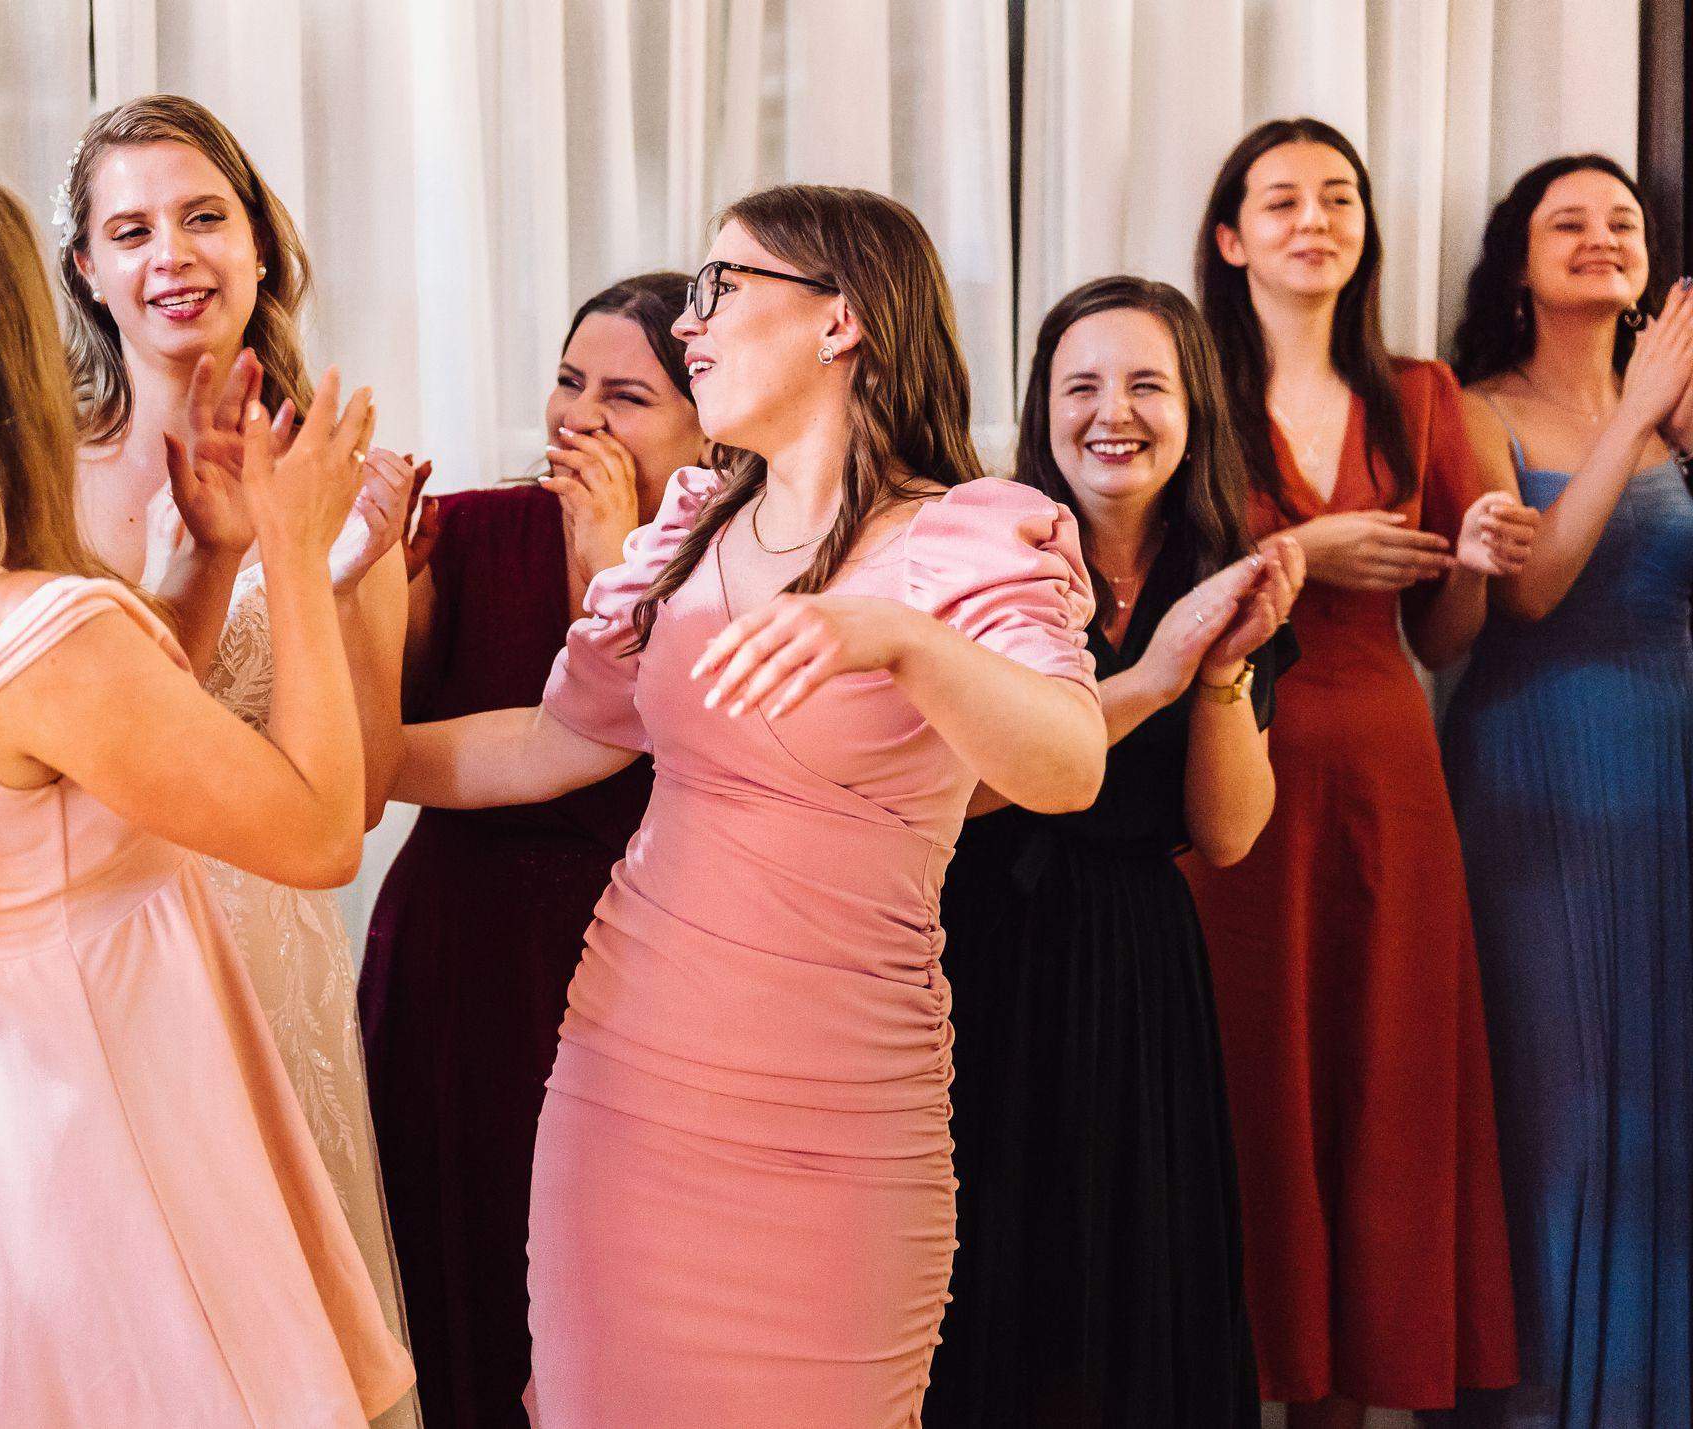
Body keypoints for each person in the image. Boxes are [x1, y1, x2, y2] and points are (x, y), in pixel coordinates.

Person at [391, 183, 1105, 1426]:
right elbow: (560, 739)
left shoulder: (968, 537)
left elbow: (1068, 763)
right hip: (626, 1087)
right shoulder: (689, 527)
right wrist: (326, 762)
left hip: (840, 1120)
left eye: (719, 287)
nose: (689, 323)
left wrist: (897, 638)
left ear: (840, 318)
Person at [0, 155, 414, 1426]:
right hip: (110, 1112)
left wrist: (206, 558)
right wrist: (291, 546)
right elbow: (324, 831)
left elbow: (89, 773)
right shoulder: (43, 633)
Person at [54, 97, 418, 1419]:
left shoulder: (336, 475)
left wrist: (338, 576)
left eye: (205, 216)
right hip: (80, 960)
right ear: (87, 271)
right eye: (131, 229)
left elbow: (355, 797)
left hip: (264, 955)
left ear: (260, 245)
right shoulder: (28, 473)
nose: (174, 254)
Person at [1183, 117, 1533, 1426]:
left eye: (1337, 197)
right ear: (1232, 238)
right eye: (1280, 200)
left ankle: (1349, 1394)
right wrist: (1303, 553)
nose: (1313, 220)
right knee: (1248, 1067)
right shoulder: (1187, 388)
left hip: (1390, 771)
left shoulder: (1423, 393)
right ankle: (1242, 1374)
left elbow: (1441, 639)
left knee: (1379, 1073)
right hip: (1235, 766)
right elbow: (1154, 588)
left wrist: (1477, 567)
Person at [927, 275, 1300, 1427]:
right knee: (989, 1273)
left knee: (1135, 1279)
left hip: (1138, 964)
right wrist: (1151, 675)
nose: (1111, 413)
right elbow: (957, 798)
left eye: (1146, 384)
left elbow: (1228, 832)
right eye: (1079, 385)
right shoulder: (983, 556)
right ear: (1041, 405)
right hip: (982, 947)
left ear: (1193, 410)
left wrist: (1219, 670)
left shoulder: (1223, 569)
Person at [359, 272, 703, 1427]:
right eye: (567, 382)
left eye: (625, 397)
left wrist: (612, 558)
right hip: (458, 943)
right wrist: (395, 577)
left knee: (614, 1284)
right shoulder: (474, 526)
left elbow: (659, 745)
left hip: (637, 951)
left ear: (705, 426)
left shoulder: (727, 568)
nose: (579, 418)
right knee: (452, 1251)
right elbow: (386, 716)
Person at [1444, 153, 1693, 1427]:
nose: (1601, 236)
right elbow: (1528, 592)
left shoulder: (1677, 414)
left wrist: (1675, 428)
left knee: (1666, 1108)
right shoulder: (1474, 409)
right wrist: (1636, 410)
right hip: (1535, 769)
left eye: (1622, 221)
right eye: (1567, 222)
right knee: (1564, 1112)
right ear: (1517, 263)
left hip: (1668, 765)